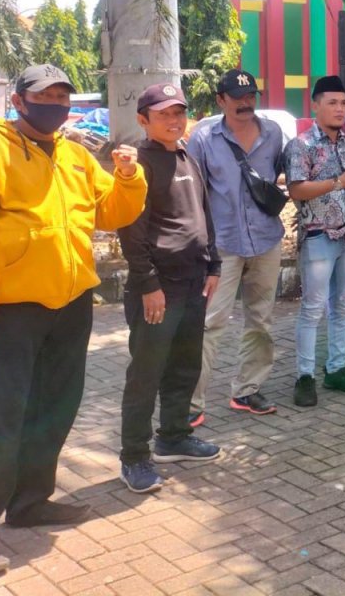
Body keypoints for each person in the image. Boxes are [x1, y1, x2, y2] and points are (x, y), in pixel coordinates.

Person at [0, 64, 147, 578]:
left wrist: (128, 177)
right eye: (44, 96)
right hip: (12, 310)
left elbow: (111, 213)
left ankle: (30, 502)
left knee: (56, 407)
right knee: (1, 418)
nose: (55, 104)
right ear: (18, 101)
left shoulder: (75, 155)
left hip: (71, 302)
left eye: (62, 96)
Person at [117, 83, 222, 493]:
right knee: (146, 373)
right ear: (143, 120)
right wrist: (148, 284)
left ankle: (174, 437)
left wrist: (213, 264)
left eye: (178, 112)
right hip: (158, 289)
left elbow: (204, 215)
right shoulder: (138, 165)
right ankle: (134, 457)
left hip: (194, 282)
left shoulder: (186, 157)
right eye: (164, 114)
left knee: (184, 366)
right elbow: (131, 230)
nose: (174, 120)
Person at [187, 69, 286, 423]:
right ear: (220, 100)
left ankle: (247, 390)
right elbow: (193, 194)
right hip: (222, 246)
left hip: (266, 239)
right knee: (209, 323)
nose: (245, 103)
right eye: (236, 97)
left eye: (250, 96)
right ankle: (190, 404)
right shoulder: (203, 139)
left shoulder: (273, 133)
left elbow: (275, 177)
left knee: (261, 320)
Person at [285, 75, 345, 406]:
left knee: (343, 306)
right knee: (313, 308)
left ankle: (336, 368)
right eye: (332, 102)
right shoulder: (301, 145)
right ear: (315, 106)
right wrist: (338, 182)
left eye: (344, 103)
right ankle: (305, 377)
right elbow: (296, 190)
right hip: (319, 236)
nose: (339, 109)